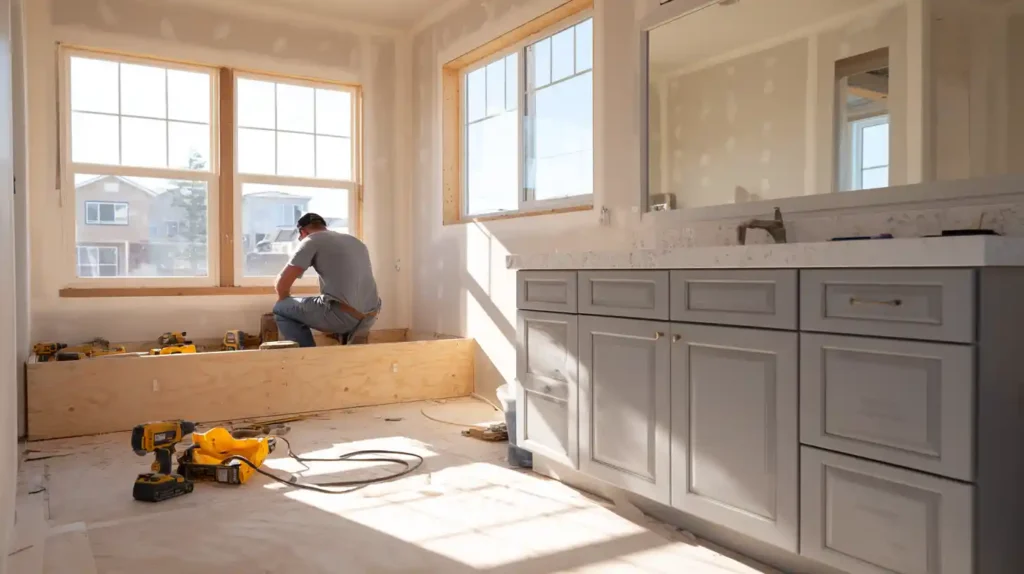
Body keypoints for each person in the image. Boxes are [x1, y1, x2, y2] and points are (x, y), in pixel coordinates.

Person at [272, 213, 381, 347]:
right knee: (330, 303)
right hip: (370, 315)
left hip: (344, 316)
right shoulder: (355, 241)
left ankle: (307, 359)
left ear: (303, 232)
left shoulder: (311, 240)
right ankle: (347, 342)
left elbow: (282, 285)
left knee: (281, 308)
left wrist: (285, 301)